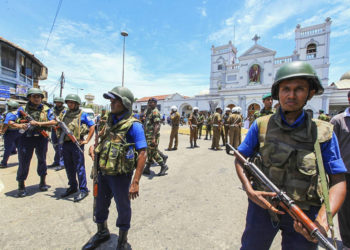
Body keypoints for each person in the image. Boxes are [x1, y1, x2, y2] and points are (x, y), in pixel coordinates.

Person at [235, 61, 347, 250]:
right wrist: (249, 189)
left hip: (304, 214)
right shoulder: (261, 125)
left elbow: (338, 180)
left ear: (310, 93)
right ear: (277, 92)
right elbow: (240, 157)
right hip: (263, 208)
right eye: (286, 89)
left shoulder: (322, 132)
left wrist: (322, 219)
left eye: (299, 89)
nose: (291, 95)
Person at [83, 86, 147, 250]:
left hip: (120, 176)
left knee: (123, 207)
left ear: (125, 103)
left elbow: (142, 154)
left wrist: (136, 182)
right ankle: (102, 232)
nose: (111, 103)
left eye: (115, 100)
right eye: (111, 100)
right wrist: (93, 151)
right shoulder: (109, 121)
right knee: (100, 205)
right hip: (103, 173)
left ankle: (122, 241)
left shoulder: (134, 126)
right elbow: (105, 143)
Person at [10, 88, 56, 197]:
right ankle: (21, 185)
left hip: (41, 138)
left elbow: (54, 121)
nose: (36, 98)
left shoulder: (46, 109)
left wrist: (39, 123)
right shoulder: (22, 109)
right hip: (26, 138)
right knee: (24, 161)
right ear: (29, 98)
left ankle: (42, 181)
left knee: (42, 160)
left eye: (38, 96)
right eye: (34, 96)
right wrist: (19, 125)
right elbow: (10, 121)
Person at [57, 94, 95, 202]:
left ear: (77, 104)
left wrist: (87, 140)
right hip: (65, 144)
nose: (70, 104)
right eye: (68, 102)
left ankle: (83, 189)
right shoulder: (64, 113)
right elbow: (57, 122)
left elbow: (92, 126)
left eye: (72, 102)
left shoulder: (82, 114)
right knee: (68, 167)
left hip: (76, 144)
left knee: (79, 168)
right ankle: (73, 187)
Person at [330, 90, 350, 249]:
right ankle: (348, 243)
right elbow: (330, 147)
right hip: (345, 171)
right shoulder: (338, 121)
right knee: (346, 210)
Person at [143, 98, 168, 176]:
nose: (150, 104)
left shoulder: (155, 111)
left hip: (152, 135)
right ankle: (147, 168)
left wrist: (153, 137)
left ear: (156, 104)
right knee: (149, 151)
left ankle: (163, 166)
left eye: (152, 102)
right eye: (149, 102)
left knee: (153, 152)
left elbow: (157, 124)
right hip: (147, 135)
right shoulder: (149, 111)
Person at [0, 101, 21, 168]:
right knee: (20, 148)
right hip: (19, 131)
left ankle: (4, 163)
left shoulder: (9, 114)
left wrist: (2, 131)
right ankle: (22, 161)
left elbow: (6, 124)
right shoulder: (19, 113)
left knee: (7, 148)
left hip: (10, 132)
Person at [48, 96, 66, 171]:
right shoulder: (52, 110)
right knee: (55, 145)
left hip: (61, 130)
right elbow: (49, 117)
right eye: (57, 102)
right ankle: (56, 161)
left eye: (59, 102)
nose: (58, 103)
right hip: (54, 129)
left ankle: (62, 163)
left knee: (61, 147)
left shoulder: (65, 110)